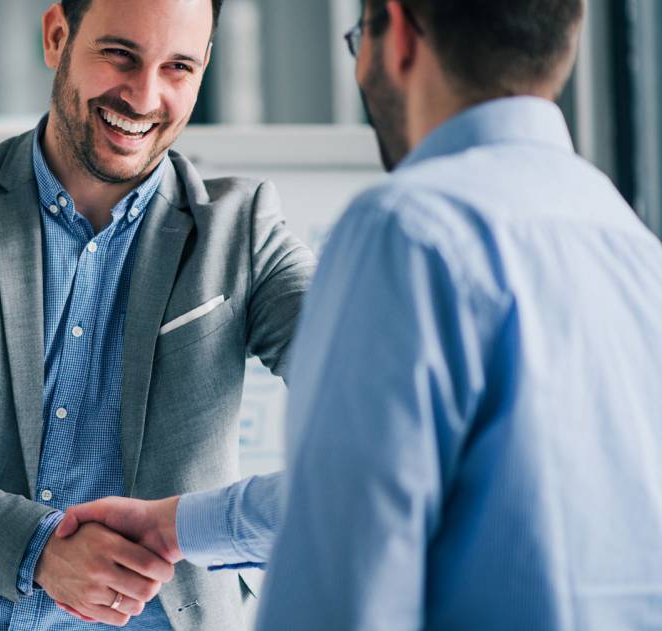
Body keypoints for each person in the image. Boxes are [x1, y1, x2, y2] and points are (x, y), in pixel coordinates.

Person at [59, 0, 662, 628]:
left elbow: (344, 564)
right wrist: (178, 526)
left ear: (396, 34)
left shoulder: (410, 230)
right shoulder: (633, 246)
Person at [0, 0, 317, 628]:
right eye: (120, 55)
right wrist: (40, 549)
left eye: (179, 68)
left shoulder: (241, 233)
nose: (143, 96)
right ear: (58, 35)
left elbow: (370, 395)